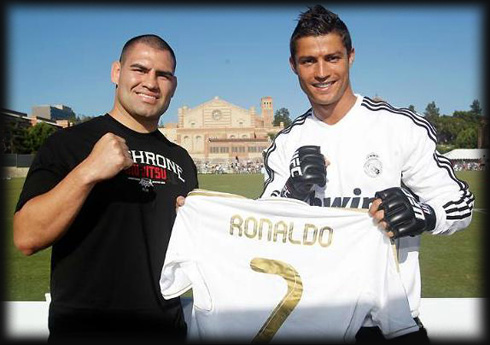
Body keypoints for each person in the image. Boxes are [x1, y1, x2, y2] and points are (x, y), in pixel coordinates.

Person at [261, 5, 474, 342]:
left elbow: (461, 205)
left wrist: (423, 214)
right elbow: (262, 230)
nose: (321, 72)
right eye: (308, 61)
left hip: (390, 327)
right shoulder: (287, 144)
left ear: (351, 56)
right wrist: (293, 190)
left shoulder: (398, 127)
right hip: (310, 321)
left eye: (332, 58)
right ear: (293, 66)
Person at [13, 34, 198, 342]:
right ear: (116, 72)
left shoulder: (182, 160)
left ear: (173, 85)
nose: (151, 83)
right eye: (139, 69)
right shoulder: (69, 144)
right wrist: (88, 172)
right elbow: (26, 237)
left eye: (162, 75)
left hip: (165, 330)